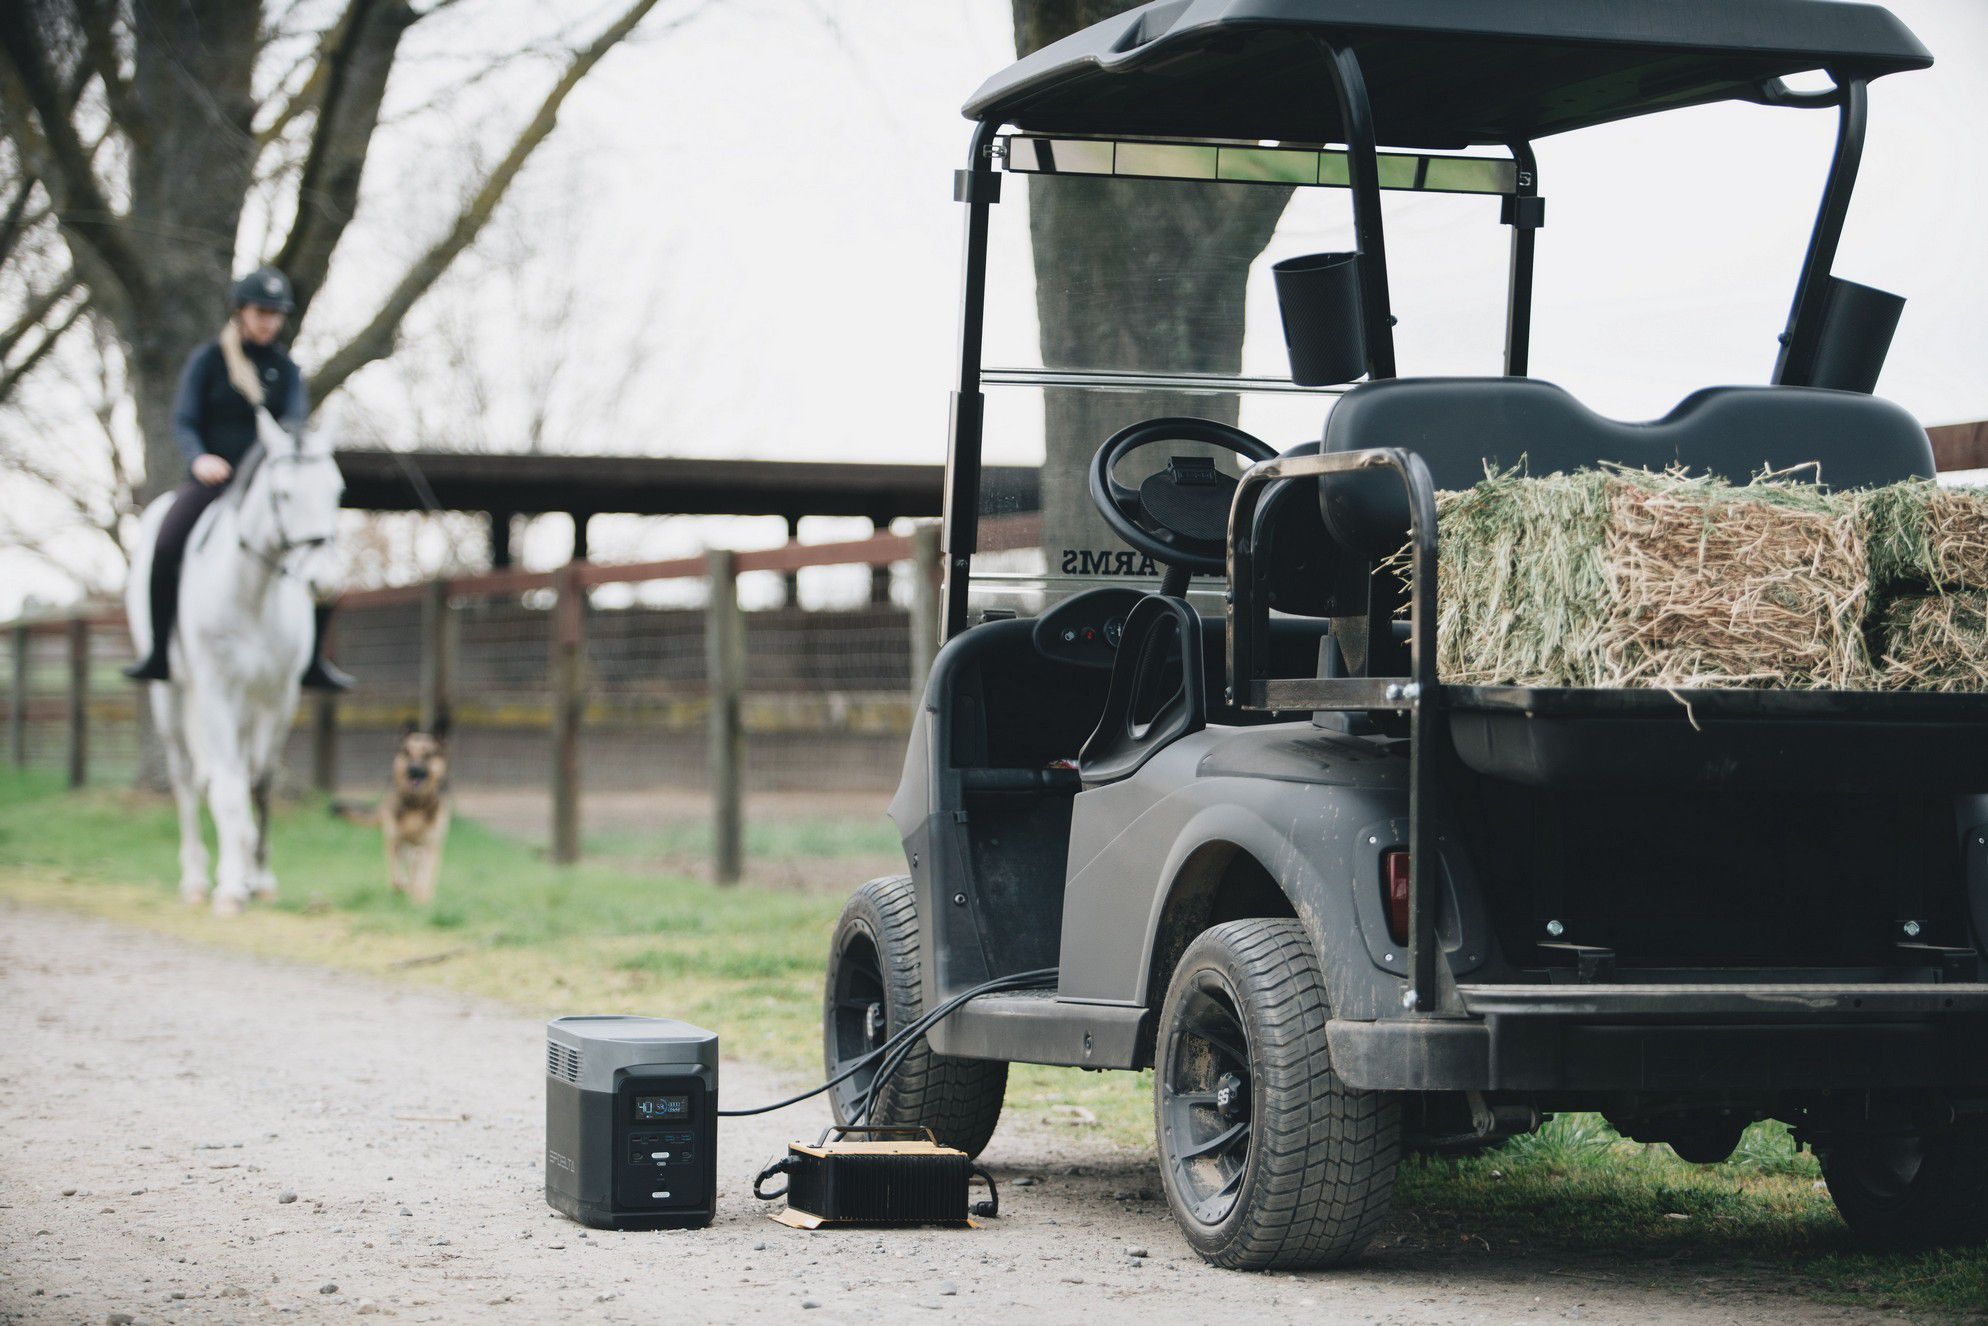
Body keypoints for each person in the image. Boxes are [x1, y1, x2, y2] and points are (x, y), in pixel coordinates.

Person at [124, 266, 351, 689]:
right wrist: (199, 459)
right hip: (215, 478)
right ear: (241, 311)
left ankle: (313, 659)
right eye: (260, 310)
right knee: (168, 539)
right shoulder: (209, 361)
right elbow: (185, 420)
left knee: (321, 545)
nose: (268, 320)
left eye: (275, 312)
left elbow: (295, 421)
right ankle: (158, 651)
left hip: (268, 484)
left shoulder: (286, 369)